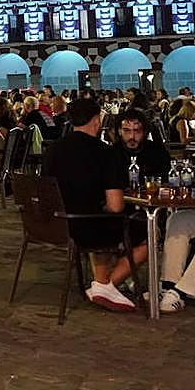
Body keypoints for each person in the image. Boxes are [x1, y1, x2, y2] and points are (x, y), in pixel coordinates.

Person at [43, 98, 148, 311]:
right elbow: (116, 206)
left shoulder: (53, 150)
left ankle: (102, 284)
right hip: (86, 226)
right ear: (96, 120)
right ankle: (105, 284)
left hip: (53, 225)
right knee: (146, 234)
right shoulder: (105, 153)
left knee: (103, 220)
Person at [114, 109, 171, 183]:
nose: (132, 136)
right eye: (127, 131)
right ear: (119, 131)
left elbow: (167, 179)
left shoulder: (158, 152)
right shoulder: (111, 154)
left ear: (144, 132)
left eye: (137, 131)